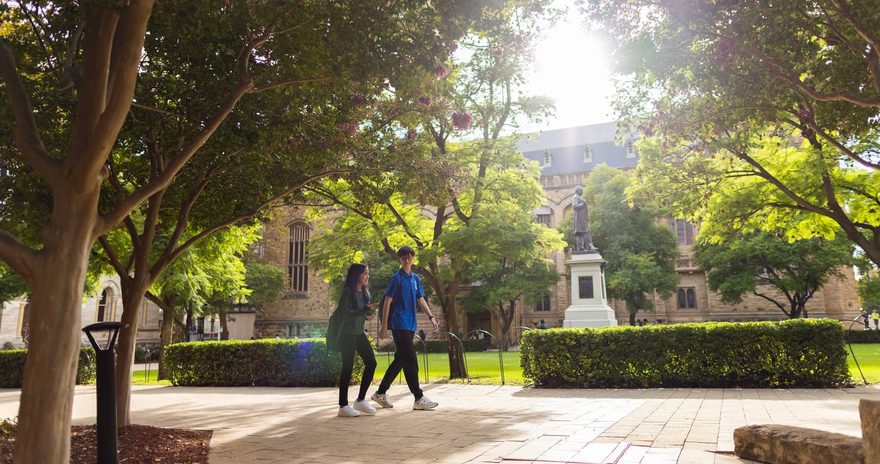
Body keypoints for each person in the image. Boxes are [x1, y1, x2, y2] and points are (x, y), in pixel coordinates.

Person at [371, 246, 440, 410]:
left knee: (400, 360)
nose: (407, 259)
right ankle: (418, 397)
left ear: (413, 258)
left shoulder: (415, 279)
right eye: (403, 257)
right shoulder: (396, 278)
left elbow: (420, 299)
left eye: (409, 256)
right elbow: (387, 301)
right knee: (411, 359)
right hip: (399, 323)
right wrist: (384, 325)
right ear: (400, 259)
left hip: (410, 324)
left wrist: (431, 317)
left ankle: (380, 393)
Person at [335, 263, 379, 418]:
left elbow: (363, 315)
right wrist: (363, 311)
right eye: (365, 273)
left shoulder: (365, 292)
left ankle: (360, 400)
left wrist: (369, 313)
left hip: (359, 332)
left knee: (372, 363)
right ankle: (343, 406)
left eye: (368, 273)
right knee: (347, 367)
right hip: (347, 333)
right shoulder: (348, 292)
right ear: (356, 275)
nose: (367, 276)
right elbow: (345, 315)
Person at [571, 185, 596, 252]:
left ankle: (581, 248)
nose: (582, 192)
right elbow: (575, 206)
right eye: (581, 191)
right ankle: (589, 246)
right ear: (578, 190)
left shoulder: (578, 197)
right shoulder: (575, 197)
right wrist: (583, 203)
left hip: (581, 217)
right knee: (585, 231)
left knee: (581, 233)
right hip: (580, 218)